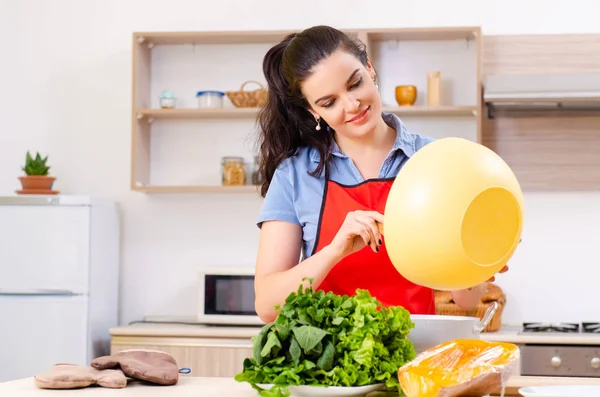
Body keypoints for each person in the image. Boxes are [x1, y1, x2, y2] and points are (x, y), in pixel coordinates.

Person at [252, 25, 508, 323]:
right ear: (313, 112)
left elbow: (467, 299)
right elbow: (268, 306)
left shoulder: (437, 160)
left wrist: (478, 258)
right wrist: (335, 251)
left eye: (354, 83)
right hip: (328, 363)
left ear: (370, 69)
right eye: (329, 102)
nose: (351, 105)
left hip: (412, 356)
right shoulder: (295, 174)